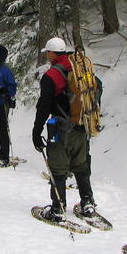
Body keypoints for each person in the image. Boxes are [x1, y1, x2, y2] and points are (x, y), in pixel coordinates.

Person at [31, 37, 96, 222]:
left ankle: (58, 209)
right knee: (81, 166)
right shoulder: (79, 68)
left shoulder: (51, 76)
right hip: (82, 125)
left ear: (52, 53)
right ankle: (88, 204)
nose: (47, 56)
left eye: (48, 53)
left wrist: (36, 131)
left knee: (58, 168)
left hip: (62, 127)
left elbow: (43, 106)